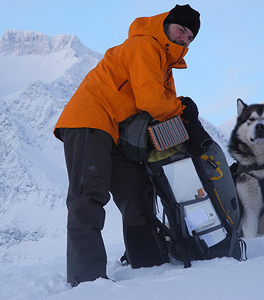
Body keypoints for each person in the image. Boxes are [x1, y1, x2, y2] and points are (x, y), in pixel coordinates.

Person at [54, 4, 201, 286]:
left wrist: (185, 132)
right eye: (181, 30)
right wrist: (182, 109)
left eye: (190, 37)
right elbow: (152, 101)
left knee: (137, 192)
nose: (184, 39)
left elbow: (154, 113)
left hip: (117, 131)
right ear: (166, 25)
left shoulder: (165, 63)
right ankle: (87, 281)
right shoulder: (147, 45)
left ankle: (148, 262)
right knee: (88, 196)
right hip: (89, 119)